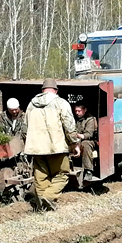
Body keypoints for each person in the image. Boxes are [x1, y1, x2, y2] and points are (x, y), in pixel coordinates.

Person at [23, 78, 79, 210]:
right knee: (62, 175)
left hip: (36, 148)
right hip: (56, 147)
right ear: (56, 90)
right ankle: (48, 197)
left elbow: (24, 128)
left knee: (41, 178)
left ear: (42, 91)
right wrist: (74, 143)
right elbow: (69, 125)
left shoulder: (31, 104)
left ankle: (42, 207)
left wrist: (29, 143)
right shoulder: (61, 103)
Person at [73, 103, 98, 180]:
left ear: (85, 110)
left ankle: (88, 170)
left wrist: (75, 135)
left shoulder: (90, 119)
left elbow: (88, 135)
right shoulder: (74, 119)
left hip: (88, 140)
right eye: (76, 111)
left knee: (86, 145)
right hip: (75, 140)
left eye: (79, 111)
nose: (77, 113)